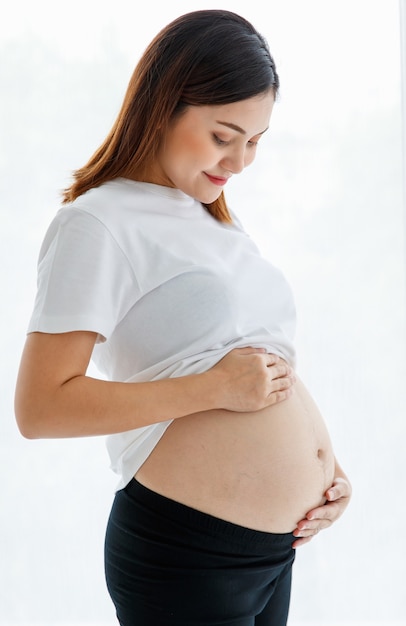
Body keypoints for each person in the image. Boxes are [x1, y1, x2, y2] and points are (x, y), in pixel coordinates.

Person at [14, 9, 351, 626]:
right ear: (164, 106)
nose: (241, 162)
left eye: (255, 141)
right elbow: (40, 408)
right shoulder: (99, 221)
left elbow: (261, 361)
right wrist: (211, 389)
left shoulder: (214, 220)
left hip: (273, 555)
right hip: (186, 553)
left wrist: (329, 469)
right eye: (224, 136)